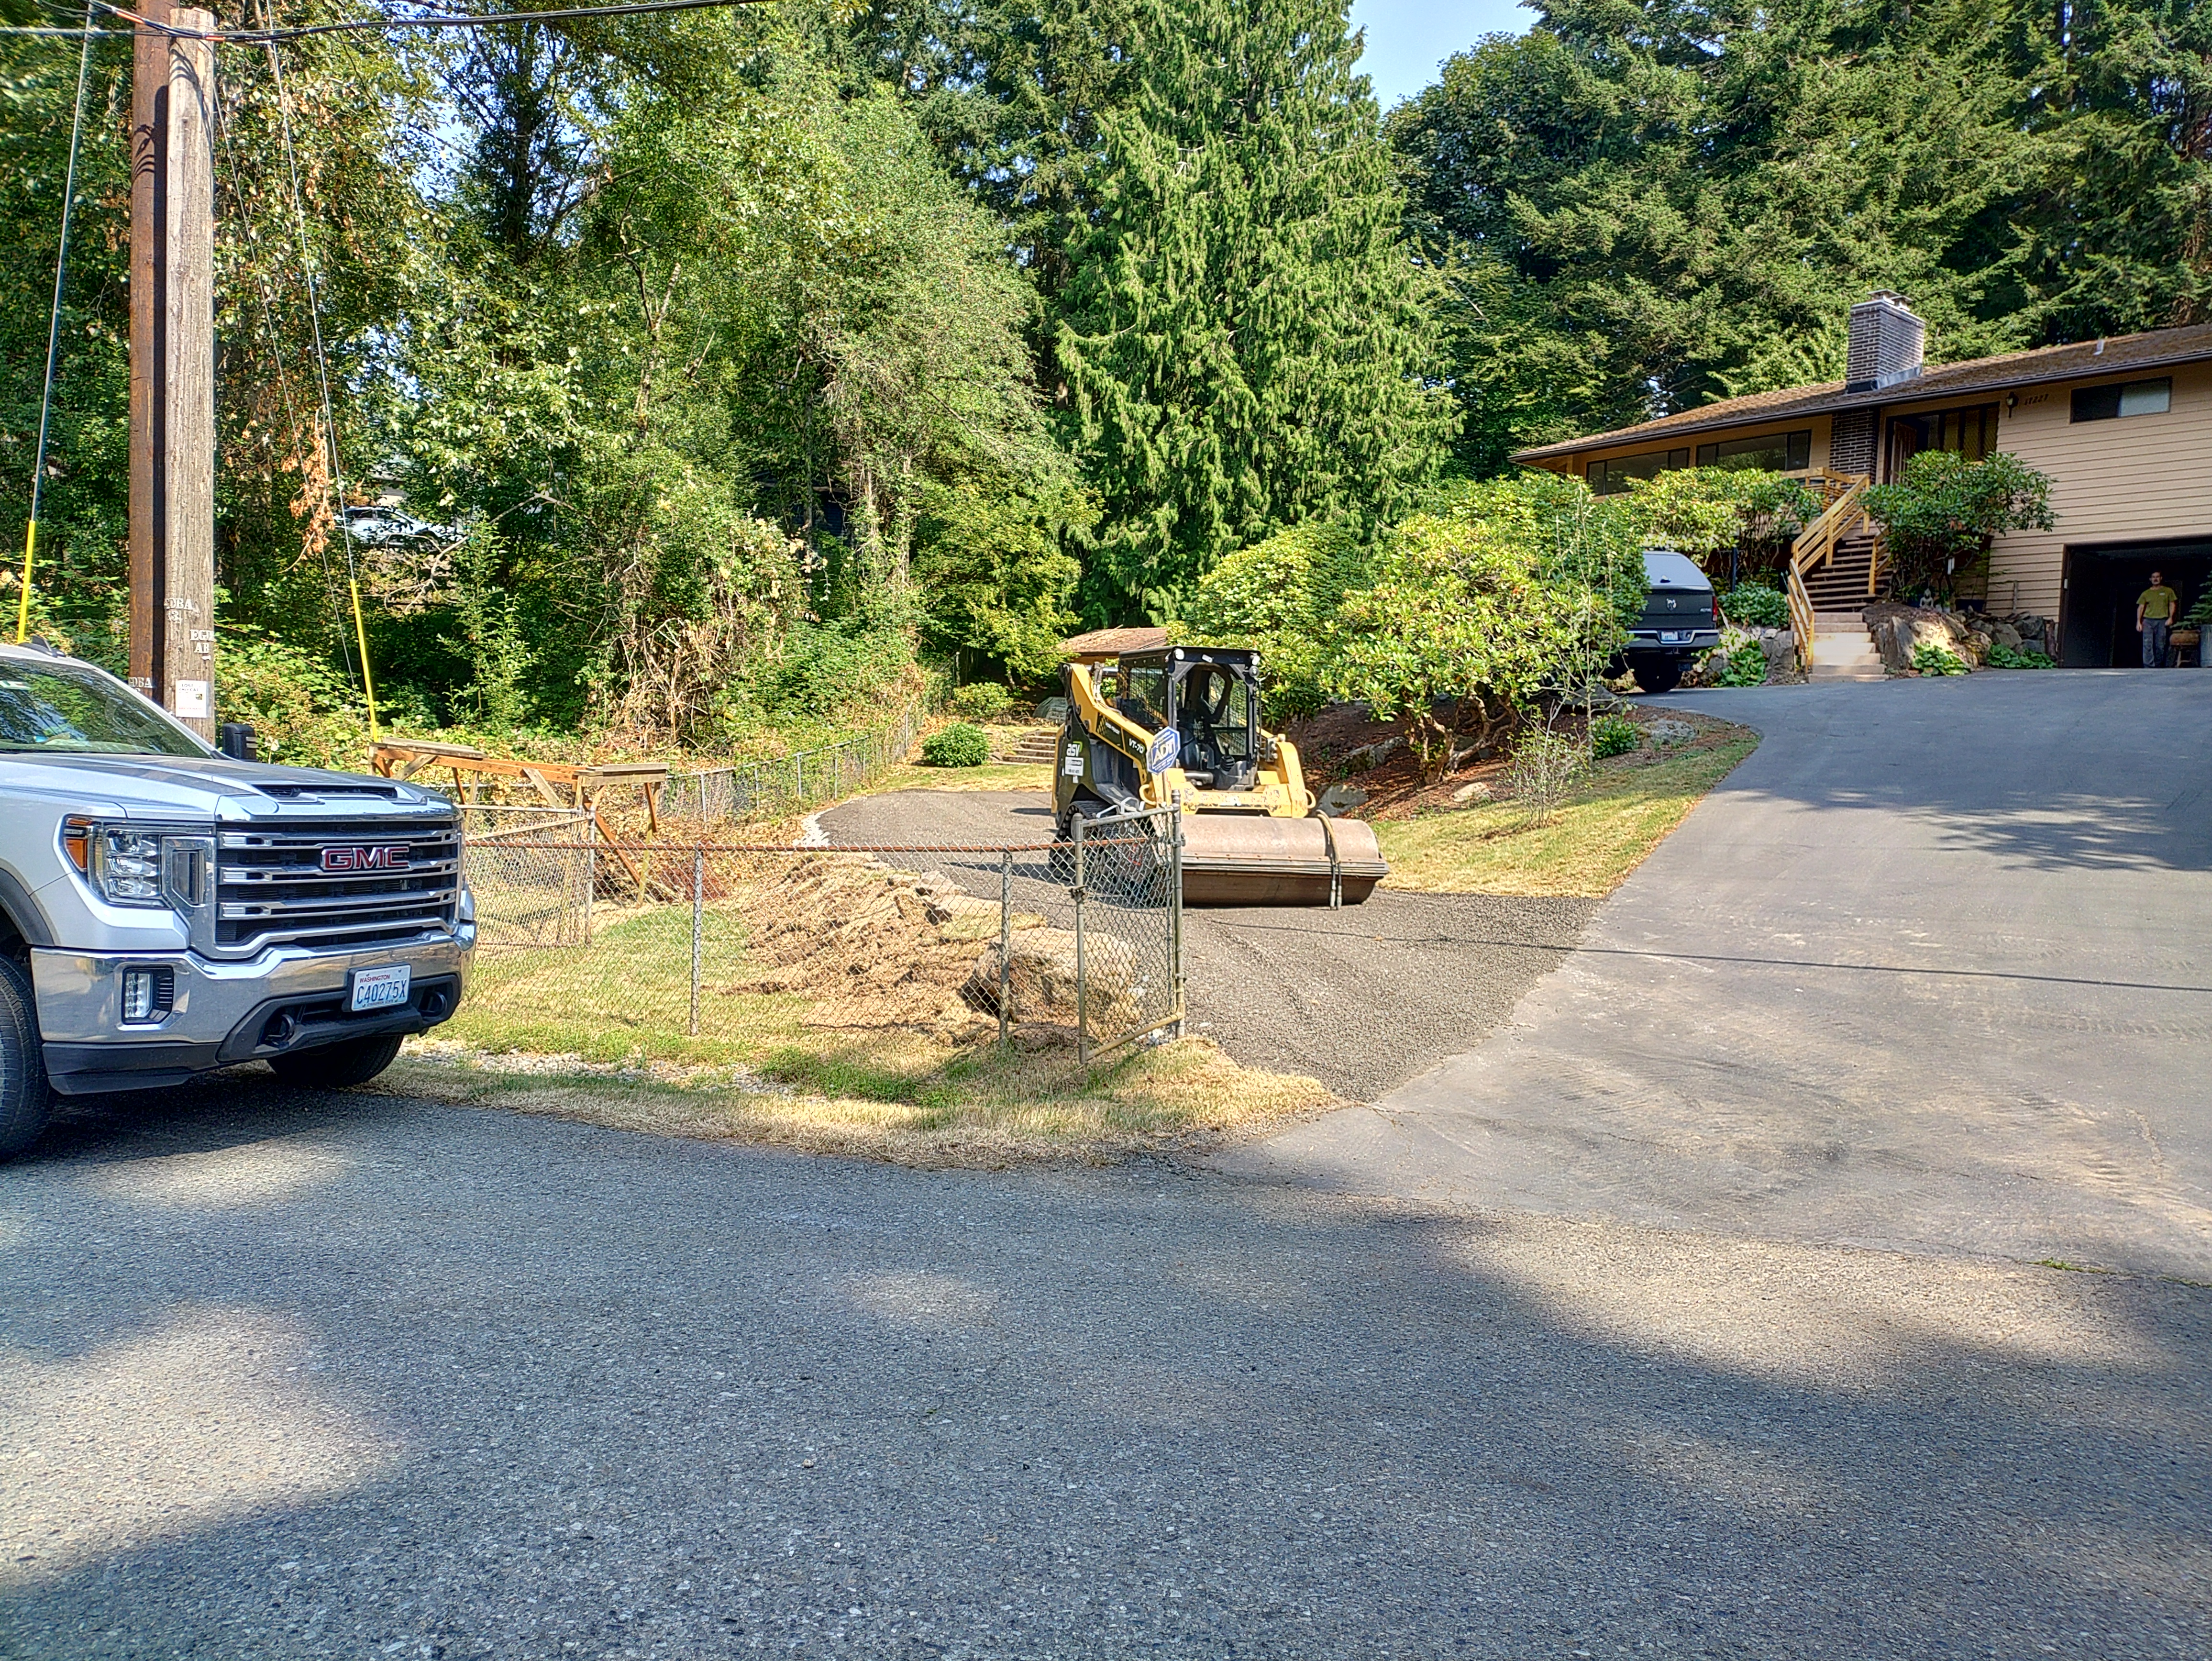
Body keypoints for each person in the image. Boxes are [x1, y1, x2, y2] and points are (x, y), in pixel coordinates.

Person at [2137, 571, 2180, 667]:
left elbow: (2172, 604)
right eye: (2153, 577)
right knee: (2147, 644)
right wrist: (2139, 622)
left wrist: (2170, 618)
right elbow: (2141, 607)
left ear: (2161, 578)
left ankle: (2158, 666)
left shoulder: (2168, 591)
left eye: (2157, 577)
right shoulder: (2146, 593)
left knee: (2160, 645)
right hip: (2148, 620)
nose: (2155, 579)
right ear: (2150, 579)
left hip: (2162, 620)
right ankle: (2148, 666)